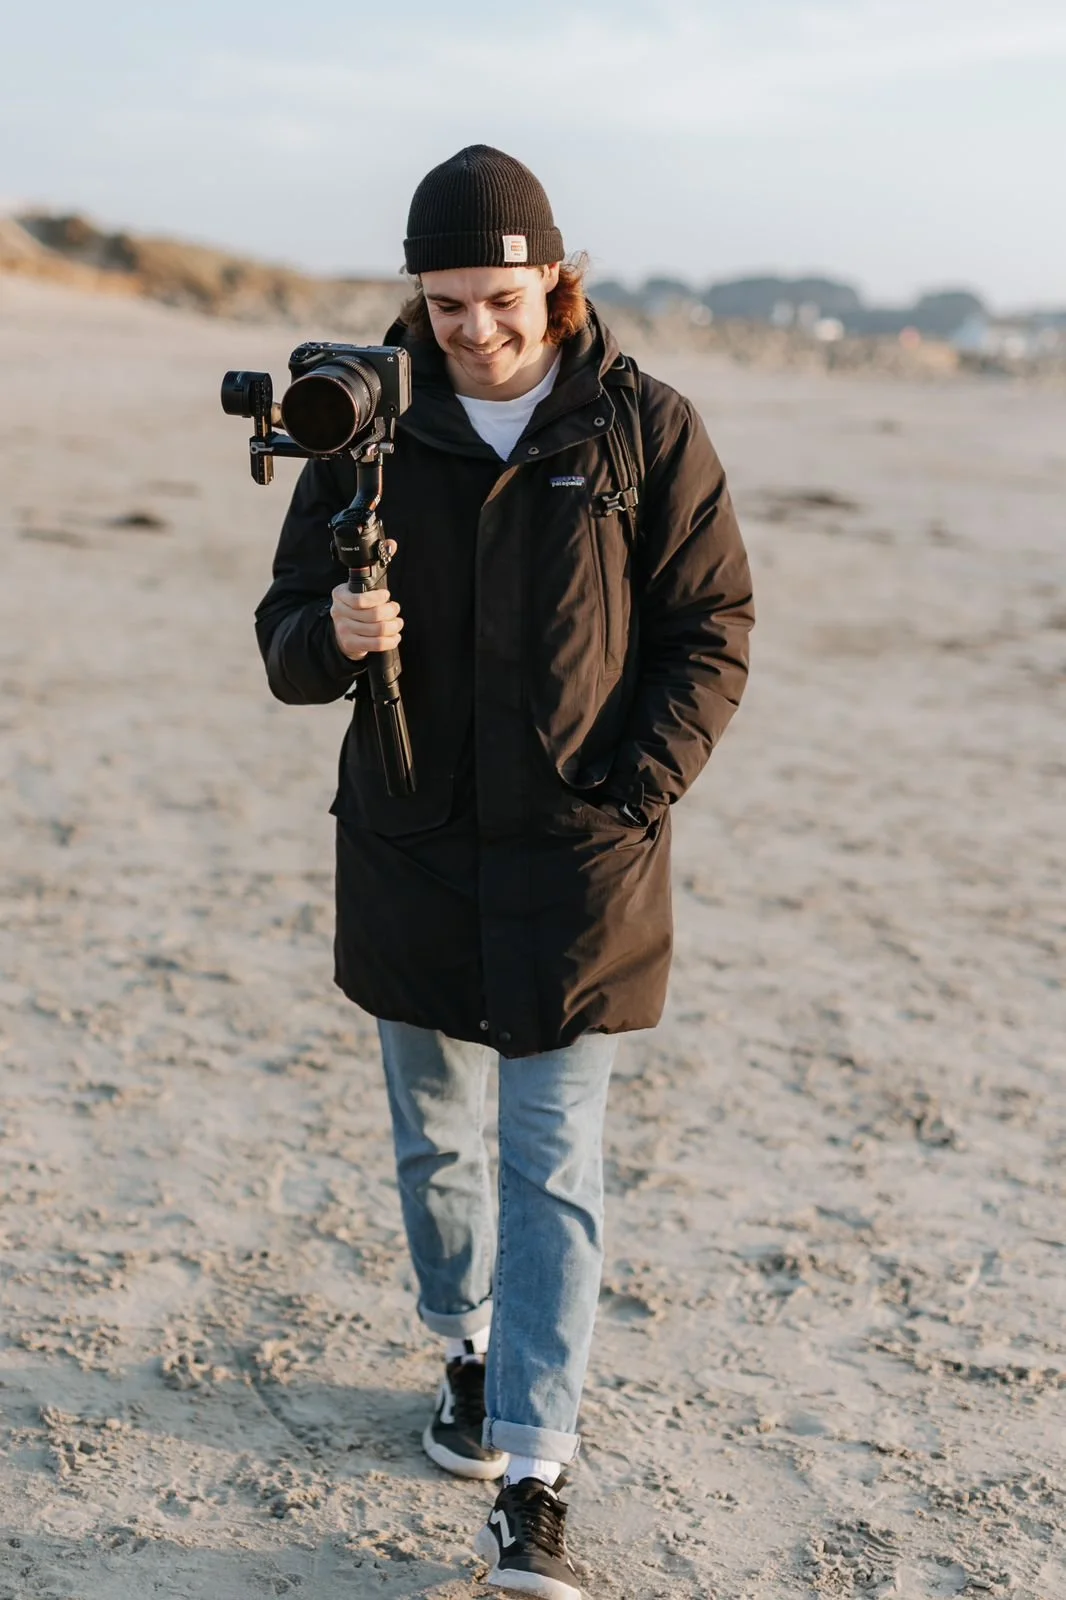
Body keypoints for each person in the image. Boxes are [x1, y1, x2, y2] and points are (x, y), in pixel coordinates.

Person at [255, 144, 753, 1600]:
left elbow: (710, 626)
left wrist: (635, 790)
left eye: (500, 298)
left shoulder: (644, 426)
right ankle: (465, 1347)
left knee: (552, 1163)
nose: (474, 328)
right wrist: (331, 638)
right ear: (415, 297)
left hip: (577, 860)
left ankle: (534, 1472)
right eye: (446, 303)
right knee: (435, 1142)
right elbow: (285, 635)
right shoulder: (362, 423)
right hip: (410, 840)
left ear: (555, 284)